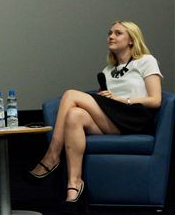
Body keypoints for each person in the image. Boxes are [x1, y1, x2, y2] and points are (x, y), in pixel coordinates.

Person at [26, 21, 163, 213]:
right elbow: (107, 102)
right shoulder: (107, 70)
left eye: (118, 33)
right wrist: (106, 99)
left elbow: (155, 100)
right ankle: (74, 187)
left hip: (135, 117)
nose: (111, 36)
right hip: (114, 119)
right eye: (109, 33)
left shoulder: (146, 61)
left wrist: (123, 99)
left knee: (70, 94)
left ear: (131, 40)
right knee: (74, 115)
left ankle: (52, 156)